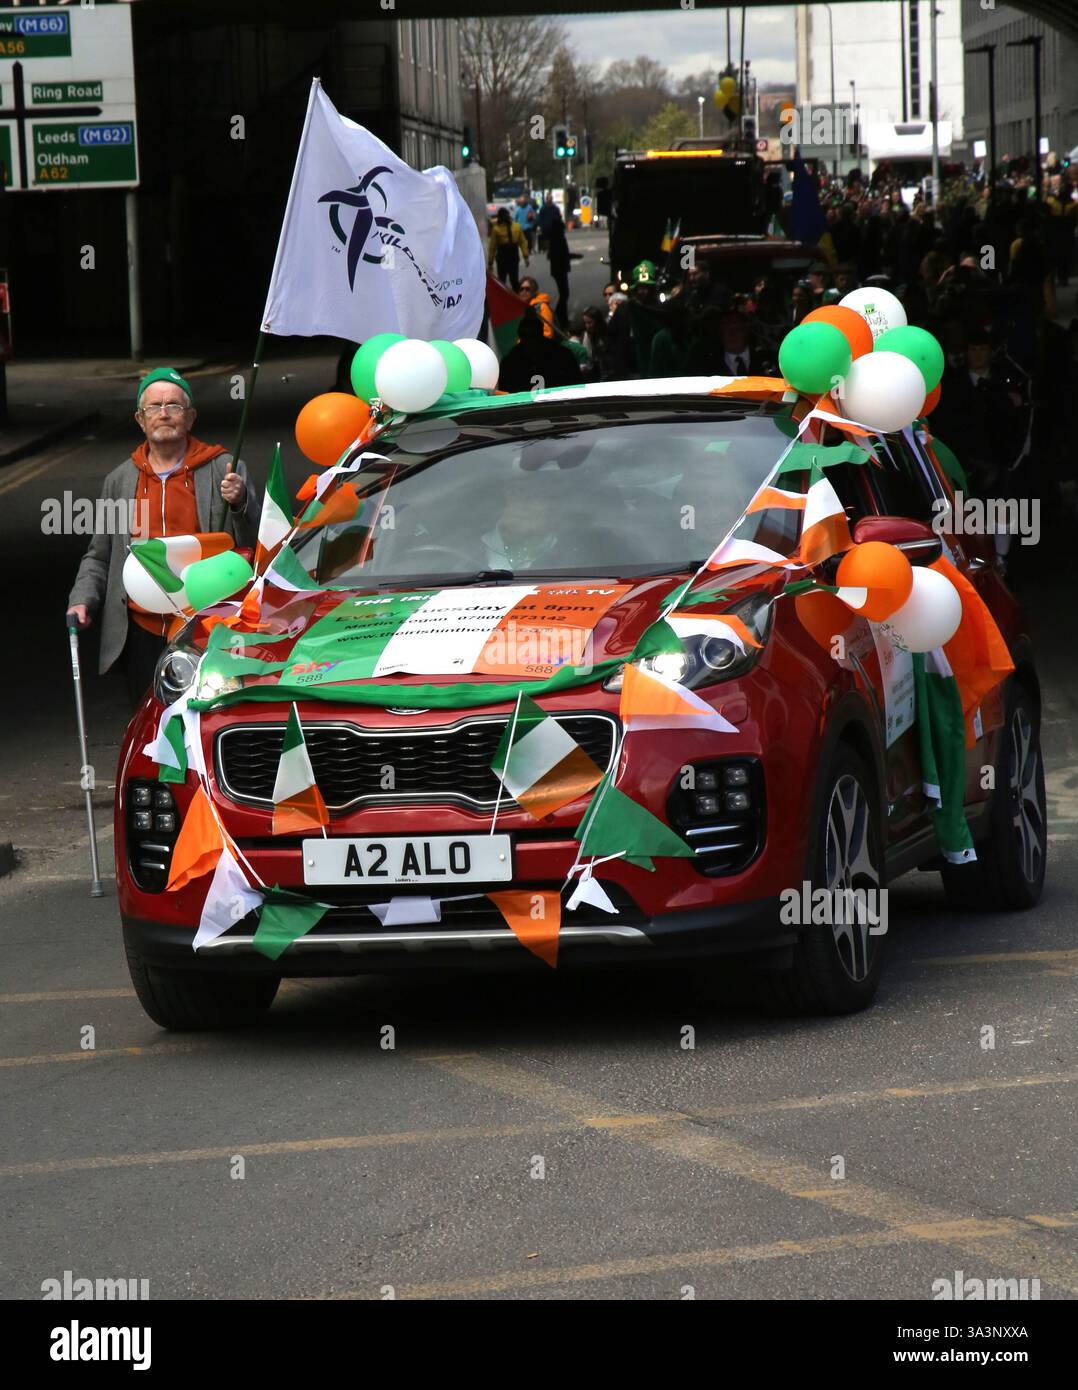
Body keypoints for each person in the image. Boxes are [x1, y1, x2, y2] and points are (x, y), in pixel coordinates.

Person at [66, 368, 261, 708]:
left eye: (174, 405)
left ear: (191, 417)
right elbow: (100, 555)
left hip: (207, 620)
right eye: (154, 407)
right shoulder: (120, 481)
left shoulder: (226, 469)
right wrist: (82, 599)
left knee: (207, 715)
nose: (164, 413)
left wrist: (240, 503)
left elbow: (257, 545)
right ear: (140, 419)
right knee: (148, 723)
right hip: (142, 628)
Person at [497, 311, 583, 393]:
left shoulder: (562, 356)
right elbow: (504, 392)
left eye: (533, 335)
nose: (530, 341)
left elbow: (576, 385)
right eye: (525, 336)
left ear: (541, 333)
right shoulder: (510, 362)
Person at [487, 206, 529, 292]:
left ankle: (508, 299)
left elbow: (493, 247)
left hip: (504, 256)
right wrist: (525, 256)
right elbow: (523, 242)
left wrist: (490, 262)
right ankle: (515, 298)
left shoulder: (497, 229)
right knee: (512, 280)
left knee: (504, 281)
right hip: (510, 256)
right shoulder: (515, 227)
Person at [545, 214, 573, 329]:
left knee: (564, 294)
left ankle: (562, 317)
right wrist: (572, 256)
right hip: (561, 270)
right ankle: (558, 317)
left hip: (558, 270)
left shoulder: (554, 239)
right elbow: (562, 255)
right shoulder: (559, 239)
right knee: (564, 294)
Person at [517, 274, 556, 339]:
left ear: (534, 291)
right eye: (521, 289)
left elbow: (547, 333)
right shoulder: (523, 308)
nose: (524, 291)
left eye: (527, 289)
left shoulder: (542, 307)